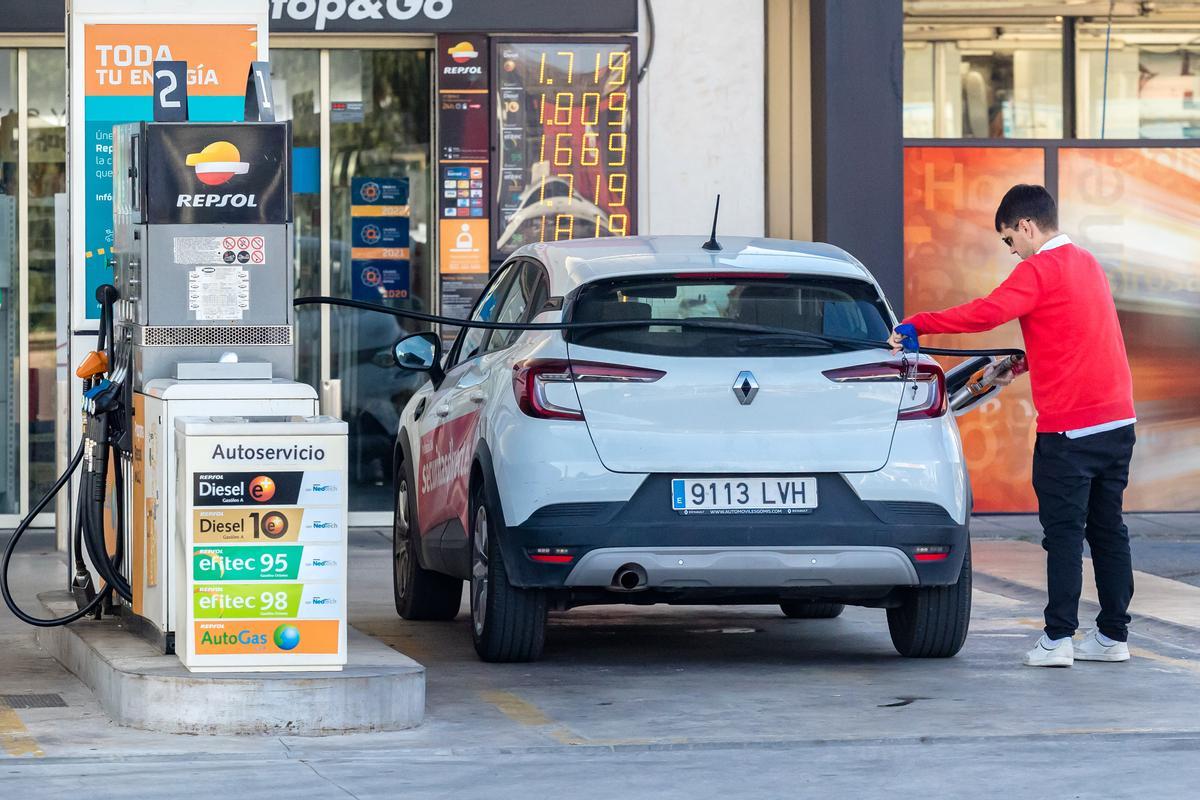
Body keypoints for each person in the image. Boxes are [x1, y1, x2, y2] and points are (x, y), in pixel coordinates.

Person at [888, 184, 1137, 668]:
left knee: (1063, 534)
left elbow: (986, 313)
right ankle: (1112, 636)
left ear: (1026, 226)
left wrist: (918, 323)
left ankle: (1058, 639)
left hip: (1069, 431)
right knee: (1109, 531)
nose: (1012, 252)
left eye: (1009, 240)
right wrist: (1027, 361)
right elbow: (1077, 334)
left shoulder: (1039, 269)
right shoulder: (1087, 263)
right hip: (1117, 421)